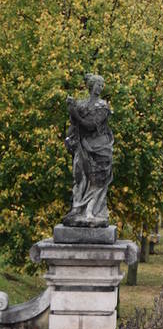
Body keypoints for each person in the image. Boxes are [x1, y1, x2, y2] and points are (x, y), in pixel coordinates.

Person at [63, 74, 114, 228]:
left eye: (102, 84)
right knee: (80, 178)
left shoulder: (103, 107)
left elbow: (90, 125)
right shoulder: (82, 105)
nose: (100, 87)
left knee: (97, 181)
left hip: (100, 148)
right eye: (98, 84)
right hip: (83, 146)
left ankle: (91, 211)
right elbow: (73, 127)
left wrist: (74, 112)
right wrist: (68, 139)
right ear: (91, 86)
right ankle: (77, 208)